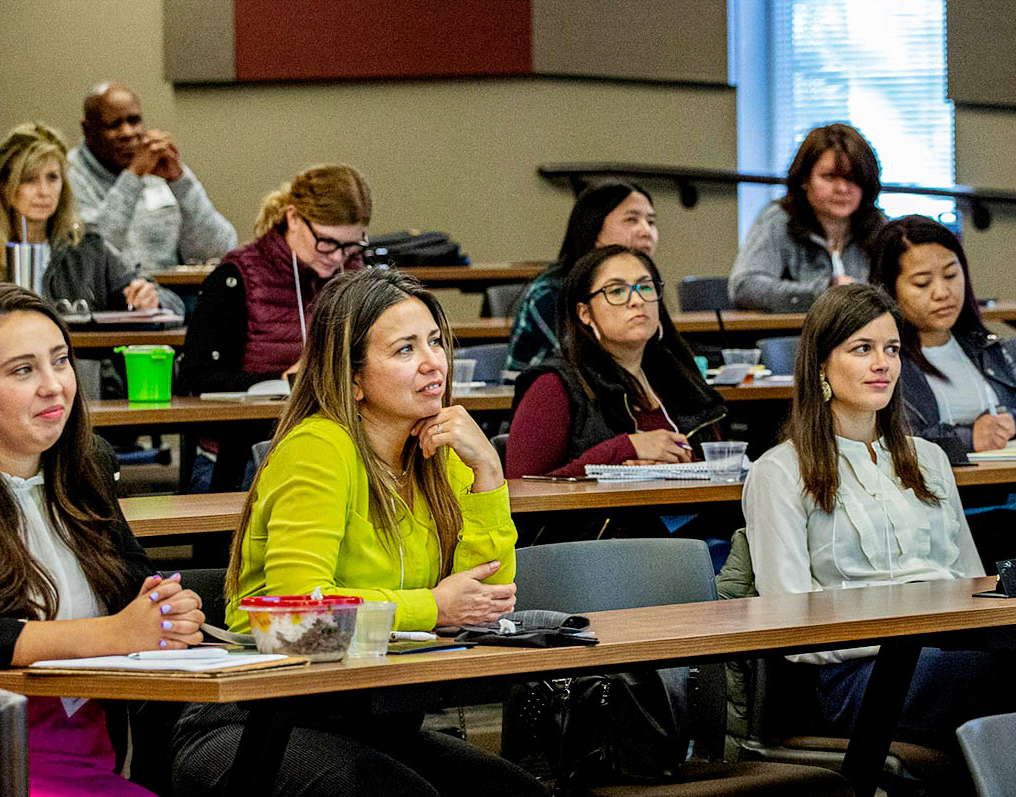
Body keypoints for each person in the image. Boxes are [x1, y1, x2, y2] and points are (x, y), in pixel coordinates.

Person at [171, 268, 544, 796]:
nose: (433, 362)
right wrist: (432, 608)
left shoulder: (438, 452)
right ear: (352, 378)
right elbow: (295, 616)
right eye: (404, 350)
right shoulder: (319, 448)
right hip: (256, 724)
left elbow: (485, 600)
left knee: (514, 794)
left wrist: (488, 472)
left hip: (370, 720)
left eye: (435, 341)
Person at [742, 283, 1016, 746]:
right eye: (862, 349)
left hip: (951, 651)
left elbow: (970, 582)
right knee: (1013, 673)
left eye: (892, 349)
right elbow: (790, 620)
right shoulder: (779, 471)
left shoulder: (930, 460)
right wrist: (909, 634)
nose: (882, 363)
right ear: (821, 362)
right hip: (859, 674)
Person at [0, 283, 204, 795]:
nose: (54, 386)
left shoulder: (87, 466)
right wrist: (114, 634)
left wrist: (174, 610)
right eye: (23, 370)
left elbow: (139, 589)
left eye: (60, 362)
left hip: (100, 751)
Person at [871, 214, 1016, 568]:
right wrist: (970, 436)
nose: (942, 292)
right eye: (921, 283)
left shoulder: (982, 346)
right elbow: (891, 442)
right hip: (946, 518)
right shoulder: (885, 358)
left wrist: (1011, 426)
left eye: (951, 274)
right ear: (890, 288)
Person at [178, 164, 371, 492]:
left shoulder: (355, 279)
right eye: (327, 242)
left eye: (351, 246)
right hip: (243, 458)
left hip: (334, 447)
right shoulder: (236, 278)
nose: (338, 258)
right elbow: (195, 381)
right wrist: (280, 380)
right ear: (293, 217)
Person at [507, 245, 726, 479]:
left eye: (645, 287)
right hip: (604, 516)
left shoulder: (681, 380)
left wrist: (682, 464)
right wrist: (626, 449)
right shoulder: (554, 387)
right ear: (585, 313)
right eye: (616, 291)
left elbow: (717, 467)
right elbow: (522, 489)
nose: (636, 300)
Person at [0, 122, 183, 315]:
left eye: (52, 178)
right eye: (29, 179)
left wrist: (151, 300)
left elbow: (173, 303)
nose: (44, 191)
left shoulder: (86, 245)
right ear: (4, 184)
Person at [68, 82, 238, 271]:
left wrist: (180, 183)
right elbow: (89, 256)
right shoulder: (67, 176)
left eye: (134, 121)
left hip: (171, 295)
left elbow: (221, 250)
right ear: (88, 131)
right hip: (104, 297)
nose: (128, 133)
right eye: (114, 125)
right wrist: (133, 176)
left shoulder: (158, 165)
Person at [729, 123, 886, 312]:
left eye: (853, 178)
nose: (843, 189)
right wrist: (825, 292)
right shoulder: (779, 220)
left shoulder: (878, 224)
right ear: (805, 179)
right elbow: (745, 287)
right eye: (829, 177)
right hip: (796, 337)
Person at [504, 180, 657, 374]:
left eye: (651, 222)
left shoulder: (646, 289)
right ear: (594, 228)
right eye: (631, 220)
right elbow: (583, 365)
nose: (646, 232)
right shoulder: (550, 292)